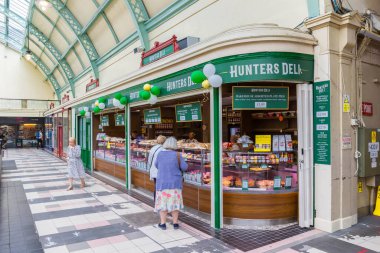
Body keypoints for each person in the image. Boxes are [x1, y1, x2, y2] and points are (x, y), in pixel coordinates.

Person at [155, 137, 188, 230]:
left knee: (163, 203)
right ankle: (175, 223)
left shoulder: (160, 154)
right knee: (175, 203)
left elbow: (156, 165)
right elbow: (184, 167)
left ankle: (163, 224)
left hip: (162, 183)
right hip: (175, 183)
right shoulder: (177, 155)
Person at [147, 135, 166, 203]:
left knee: (156, 187)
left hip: (154, 171)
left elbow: (149, 161)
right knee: (163, 188)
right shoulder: (164, 149)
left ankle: (156, 203)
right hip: (162, 172)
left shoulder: (153, 148)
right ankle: (162, 203)